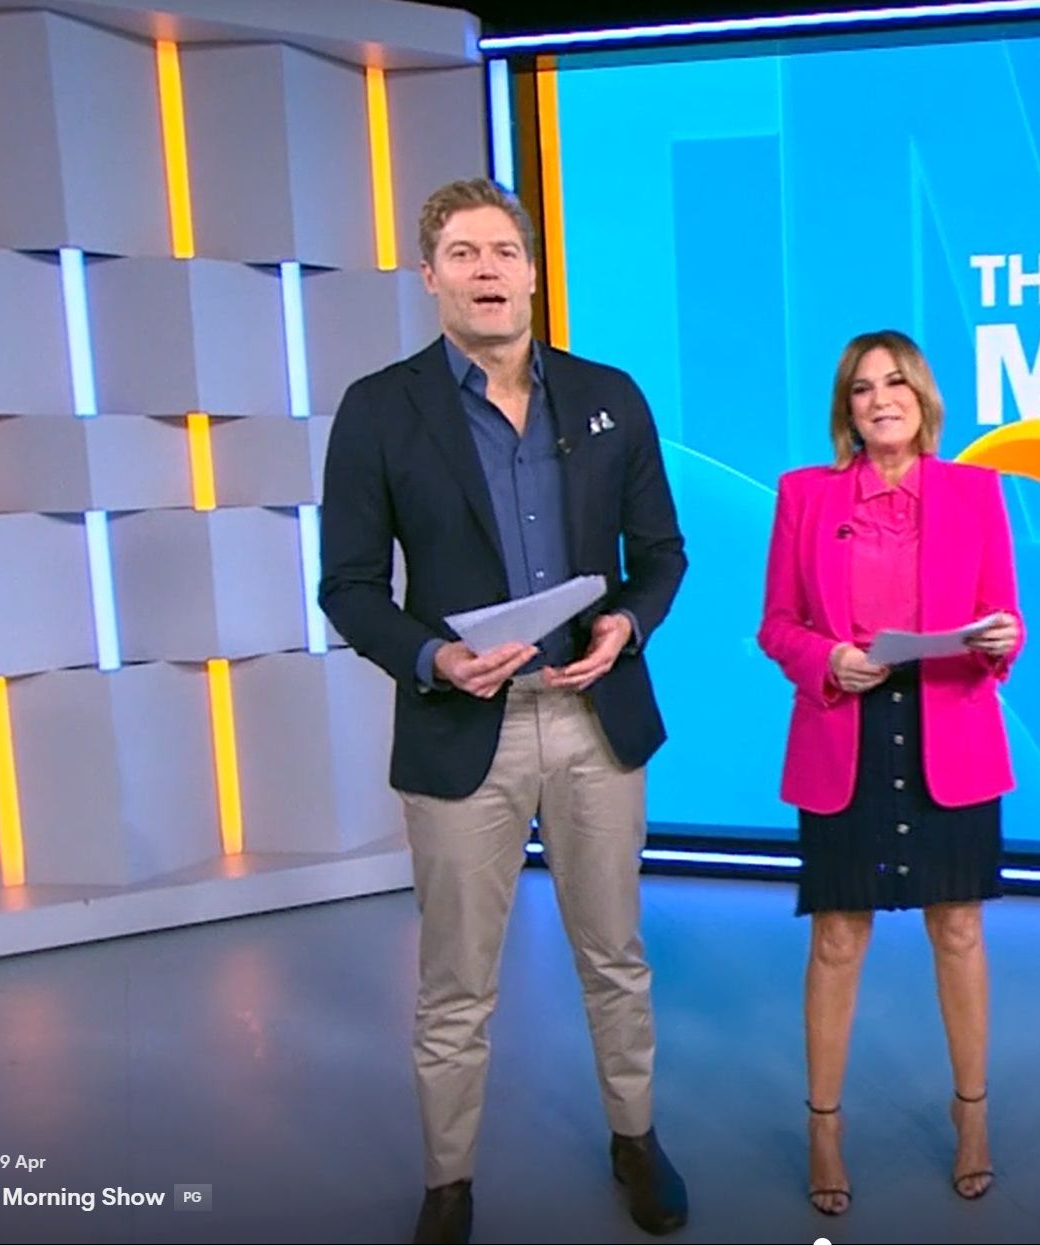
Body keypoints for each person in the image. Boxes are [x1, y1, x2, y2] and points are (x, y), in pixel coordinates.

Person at [317, 177, 690, 1245]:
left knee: (614, 956)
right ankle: (449, 1183)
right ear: (430, 276)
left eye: (504, 253)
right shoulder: (379, 409)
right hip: (459, 728)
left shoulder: (609, 395)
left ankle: (634, 1136)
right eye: (464, 254)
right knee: (456, 982)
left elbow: (660, 555)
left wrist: (626, 626)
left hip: (592, 720)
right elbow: (349, 586)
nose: (488, 271)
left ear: (532, 272)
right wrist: (434, 657)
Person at [756, 329, 1025, 1216]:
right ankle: (824, 1127)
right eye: (863, 387)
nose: (881, 399)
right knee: (838, 935)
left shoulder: (976, 491)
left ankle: (972, 1114)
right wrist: (829, 658)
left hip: (949, 725)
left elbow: (1003, 619)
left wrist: (1000, 639)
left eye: (896, 382)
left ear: (923, 397)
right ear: (848, 407)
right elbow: (777, 625)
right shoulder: (804, 494)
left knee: (959, 928)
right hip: (848, 726)